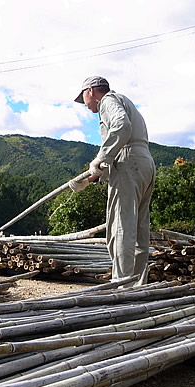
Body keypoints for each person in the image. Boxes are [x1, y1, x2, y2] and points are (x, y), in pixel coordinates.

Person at [71, 75, 155, 286]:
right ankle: (136, 286)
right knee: (138, 231)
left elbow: (121, 127)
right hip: (143, 163)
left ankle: (122, 286)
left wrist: (101, 157)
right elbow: (123, 144)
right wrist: (90, 178)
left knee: (121, 228)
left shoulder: (107, 101)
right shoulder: (125, 101)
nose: (85, 105)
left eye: (84, 99)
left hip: (129, 163)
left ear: (90, 91)